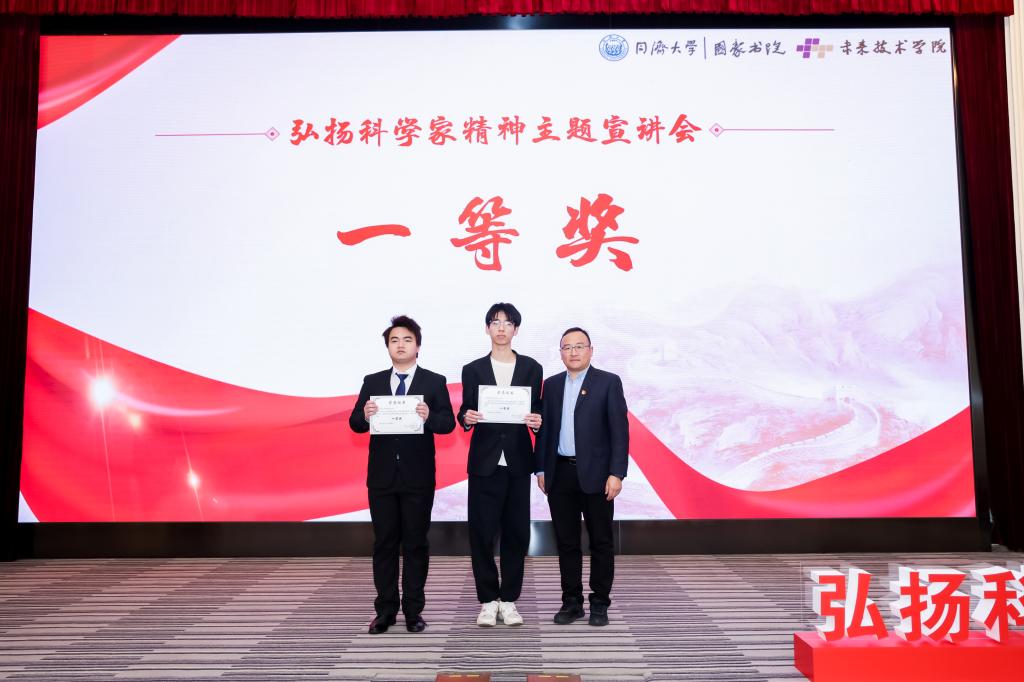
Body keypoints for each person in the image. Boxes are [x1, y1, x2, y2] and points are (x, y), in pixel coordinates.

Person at [349, 315, 455, 635]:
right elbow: (355, 423)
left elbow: (447, 424)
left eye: (407, 339)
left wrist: (429, 415)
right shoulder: (373, 382)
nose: (400, 345)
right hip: (382, 477)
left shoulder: (434, 382)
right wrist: (364, 415)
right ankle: (384, 611)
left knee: (415, 544)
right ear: (387, 347)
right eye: (394, 340)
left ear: (418, 346)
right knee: (384, 544)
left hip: (418, 477)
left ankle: (413, 611)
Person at [534, 327, 629, 627]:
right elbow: (545, 431)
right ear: (560, 353)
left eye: (579, 346)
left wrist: (616, 473)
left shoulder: (608, 382)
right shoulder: (551, 385)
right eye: (567, 347)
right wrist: (541, 468)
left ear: (591, 350)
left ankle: (600, 603)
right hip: (560, 473)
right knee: (567, 542)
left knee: (601, 541)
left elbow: (620, 432)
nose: (573, 352)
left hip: (598, 475)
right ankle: (571, 602)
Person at [457, 303, 543, 627]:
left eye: (508, 323)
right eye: (495, 322)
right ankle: (487, 600)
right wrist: (466, 418)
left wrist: (538, 421)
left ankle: (509, 600)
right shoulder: (473, 369)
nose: (502, 328)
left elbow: (537, 410)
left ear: (516, 329)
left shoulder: (532, 368)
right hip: (484, 462)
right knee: (481, 533)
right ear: (487, 328)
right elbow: (465, 409)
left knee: (516, 534)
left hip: (518, 462)